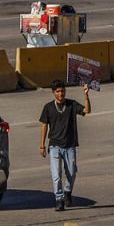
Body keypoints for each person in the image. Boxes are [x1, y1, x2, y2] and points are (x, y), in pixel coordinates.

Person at [38, 81, 91, 211]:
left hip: (69, 145)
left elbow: (87, 110)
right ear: (53, 93)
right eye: (58, 91)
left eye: (62, 91)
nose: (61, 94)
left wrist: (86, 95)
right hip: (54, 146)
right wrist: (42, 145)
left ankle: (67, 191)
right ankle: (59, 199)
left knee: (72, 172)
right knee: (56, 174)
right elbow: (44, 125)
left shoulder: (71, 104)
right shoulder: (48, 107)